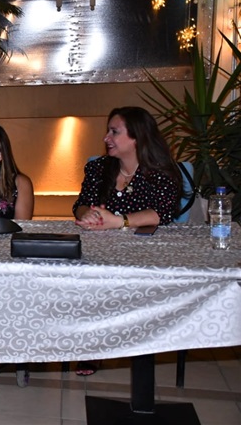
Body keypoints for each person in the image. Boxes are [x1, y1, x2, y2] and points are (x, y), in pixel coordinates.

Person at [72, 106, 182, 375]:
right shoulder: (98, 168)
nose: (106, 138)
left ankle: (133, 340)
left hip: (145, 251)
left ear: (136, 137)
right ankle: (93, 345)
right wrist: (88, 214)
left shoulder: (162, 172)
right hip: (100, 249)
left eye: (114, 132)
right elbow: (81, 203)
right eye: (107, 131)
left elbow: (163, 213)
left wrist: (119, 221)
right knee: (83, 277)